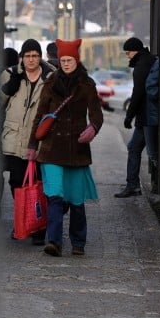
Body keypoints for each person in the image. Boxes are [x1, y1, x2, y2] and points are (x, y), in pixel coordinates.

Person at [27, 38, 102, 257]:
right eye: (63, 60)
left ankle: (78, 243)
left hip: (77, 149)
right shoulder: (50, 83)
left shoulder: (87, 85)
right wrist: (33, 145)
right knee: (55, 196)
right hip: (51, 149)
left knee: (76, 200)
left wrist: (93, 128)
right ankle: (54, 242)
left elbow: (96, 113)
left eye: (70, 60)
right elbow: (39, 117)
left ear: (77, 60)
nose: (66, 64)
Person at [1, 38, 55, 244]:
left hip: (40, 141)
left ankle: (39, 227)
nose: (31, 60)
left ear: (40, 57)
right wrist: (8, 88)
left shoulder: (50, 77)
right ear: (21, 57)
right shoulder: (10, 74)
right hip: (14, 139)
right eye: (27, 56)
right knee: (17, 184)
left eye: (35, 56)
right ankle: (23, 222)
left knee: (38, 184)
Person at [116, 37, 160, 197]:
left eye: (128, 52)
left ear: (135, 50)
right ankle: (133, 185)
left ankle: (158, 185)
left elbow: (138, 93)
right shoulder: (147, 60)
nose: (128, 56)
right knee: (133, 147)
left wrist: (129, 116)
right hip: (146, 116)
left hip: (149, 116)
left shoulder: (141, 65)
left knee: (153, 154)